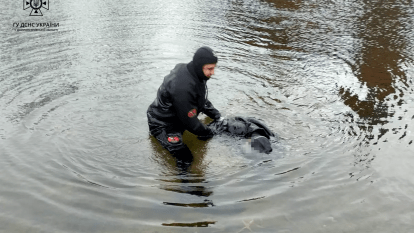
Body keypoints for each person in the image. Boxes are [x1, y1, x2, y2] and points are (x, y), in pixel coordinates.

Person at [147, 46, 221, 158]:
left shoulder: (194, 73)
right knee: (186, 158)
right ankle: (182, 175)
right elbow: (191, 123)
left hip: (178, 114)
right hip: (163, 124)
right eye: (210, 69)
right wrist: (210, 133)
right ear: (199, 66)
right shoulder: (182, 89)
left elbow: (200, 99)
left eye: (214, 68)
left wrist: (217, 116)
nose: (213, 73)